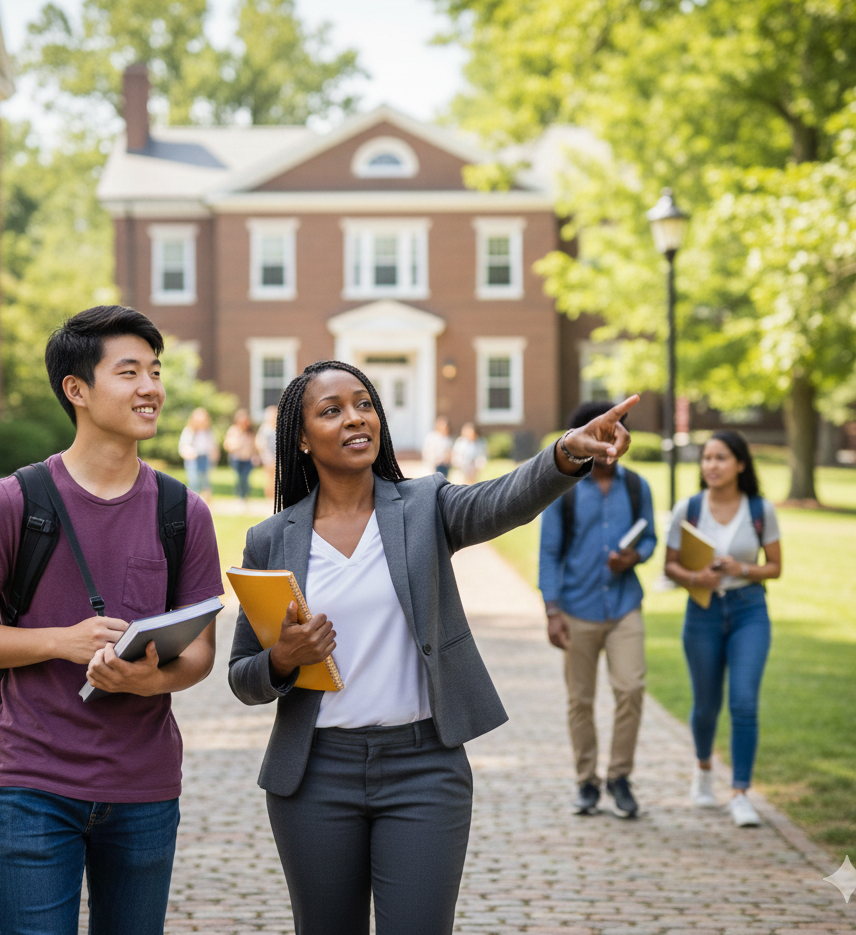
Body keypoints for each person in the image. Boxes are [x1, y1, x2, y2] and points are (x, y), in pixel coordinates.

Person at [229, 358, 638, 935]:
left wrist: (565, 454)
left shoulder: (424, 507)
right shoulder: (272, 540)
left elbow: (504, 500)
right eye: (332, 410)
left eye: (364, 404)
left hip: (422, 768)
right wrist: (282, 660)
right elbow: (243, 675)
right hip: (315, 775)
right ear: (300, 438)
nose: (356, 418)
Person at [0, 305, 222, 934]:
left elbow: (200, 653)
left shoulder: (184, 512)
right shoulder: (14, 503)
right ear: (77, 390)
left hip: (144, 785)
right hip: (33, 782)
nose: (151, 388)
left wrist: (146, 680)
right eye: (129, 372)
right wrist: (60, 642)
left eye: (155, 370)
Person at [539, 400, 656, 819]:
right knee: (580, 700)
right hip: (576, 608)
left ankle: (619, 777)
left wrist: (634, 557)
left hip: (624, 606)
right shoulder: (563, 491)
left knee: (631, 689)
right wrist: (552, 610)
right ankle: (586, 782)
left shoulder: (637, 486)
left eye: (615, 431)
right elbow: (549, 552)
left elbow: (650, 539)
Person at [663, 430, 782, 828]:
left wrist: (742, 569)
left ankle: (741, 793)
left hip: (749, 611)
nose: (711, 465)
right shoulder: (689, 507)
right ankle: (702, 770)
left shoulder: (760, 509)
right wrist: (697, 578)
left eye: (721, 458)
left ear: (741, 464)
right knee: (706, 704)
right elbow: (670, 565)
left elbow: (775, 567)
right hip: (703, 613)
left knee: (744, 703)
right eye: (707, 458)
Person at [179, 406, 218, 503]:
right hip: (193, 458)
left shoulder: (208, 432)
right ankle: (194, 500)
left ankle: (206, 500)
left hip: (205, 457)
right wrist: (189, 452)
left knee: (205, 479)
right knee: (194, 479)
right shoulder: (189, 431)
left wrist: (214, 455)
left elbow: (212, 445)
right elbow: (183, 445)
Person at [224, 407, 257, 506]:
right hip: (236, 458)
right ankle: (240, 496)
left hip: (247, 458)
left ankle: (245, 496)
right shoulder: (233, 430)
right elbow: (227, 444)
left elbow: (255, 446)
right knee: (240, 478)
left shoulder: (251, 432)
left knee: (246, 478)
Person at [256, 403, 279, 506]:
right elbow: (260, 443)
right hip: (269, 458)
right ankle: (269, 499)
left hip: (279, 458)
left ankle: (277, 499)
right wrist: (266, 457)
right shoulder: (265, 429)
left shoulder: (280, 428)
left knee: (278, 480)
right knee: (269, 479)